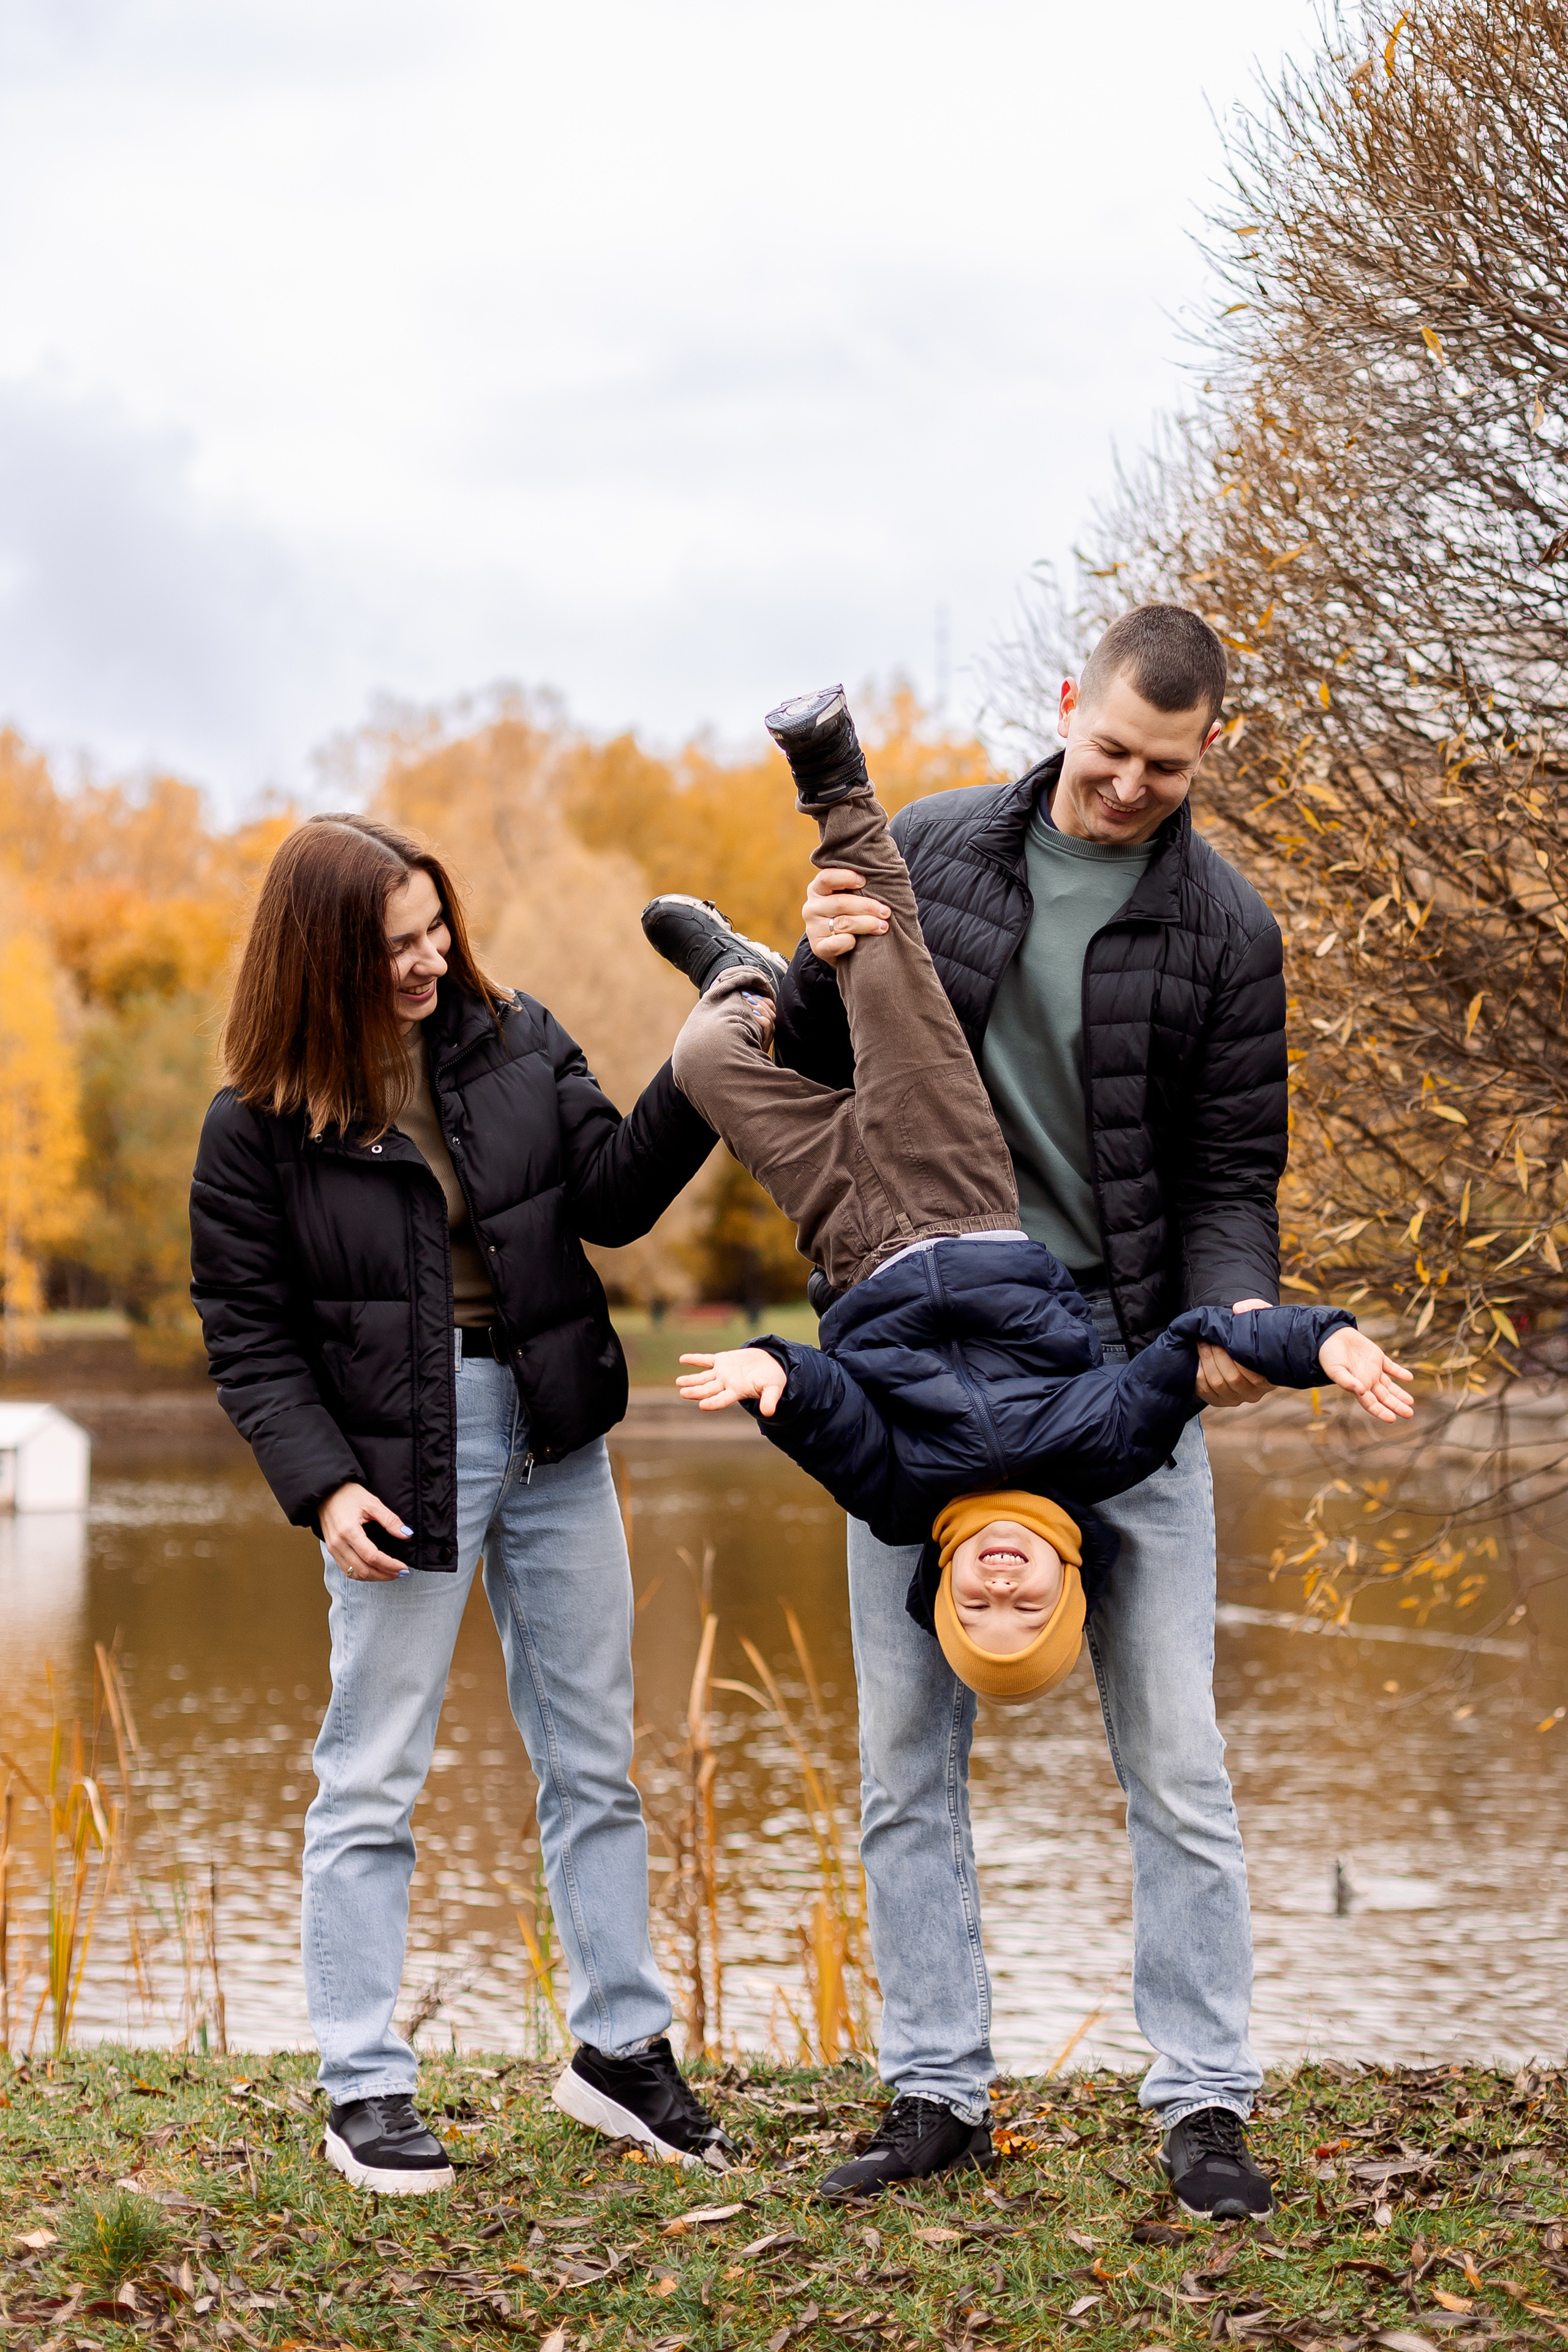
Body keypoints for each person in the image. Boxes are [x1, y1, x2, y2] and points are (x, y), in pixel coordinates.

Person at [761, 608, 1309, 2217]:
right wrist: (814, 957)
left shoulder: (1228, 930)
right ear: (1069, 705)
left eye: (1166, 767)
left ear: (1208, 751)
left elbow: (1230, 1179)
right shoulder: (932, 850)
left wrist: (1236, 1320)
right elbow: (812, 1066)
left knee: (1178, 1760)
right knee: (901, 1763)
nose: (1130, 785)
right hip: (912, 1370)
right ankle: (936, 2092)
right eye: (1111, 750)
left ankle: (1203, 2103)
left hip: (1118, 1373)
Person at [644, 690, 1408, 1698]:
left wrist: (768, 1372)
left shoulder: (902, 1503)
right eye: (1027, 1610)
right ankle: (831, 772)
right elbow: (1183, 1354)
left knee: (704, 1062)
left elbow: (827, 1411)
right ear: (1069, 1582)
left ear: (946, 1589)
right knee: (881, 959)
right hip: (960, 1190)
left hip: (853, 1237)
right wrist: (1317, 1342)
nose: (1000, 1592)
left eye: (979, 1612)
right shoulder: (1100, 1446)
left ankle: (740, 982)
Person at [189, 813, 735, 2195]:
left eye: (438, 930)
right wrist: (323, 1485)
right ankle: (363, 2083)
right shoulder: (256, 1125)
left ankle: (621, 2052)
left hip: (556, 1428)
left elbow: (611, 1198)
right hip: (395, 1458)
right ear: (321, 959)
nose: (430, 961)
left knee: (594, 1761)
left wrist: (705, 1057)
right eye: (396, 946)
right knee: (372, 1774)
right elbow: (247, 1332)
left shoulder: (515, 1038)